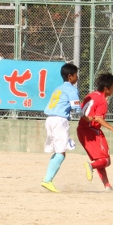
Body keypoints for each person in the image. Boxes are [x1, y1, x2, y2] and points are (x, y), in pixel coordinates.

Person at [77, 73, 113, 191]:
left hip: (81, 130)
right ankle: (90, 166)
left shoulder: (91, 95)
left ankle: (107, 186)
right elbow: (98, 118)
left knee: (100, 160)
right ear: (106, 88)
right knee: (106, 160)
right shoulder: (102, 100)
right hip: (92, 131)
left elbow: (80, 111)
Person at [41, 63, 81, 193]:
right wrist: (87, 117)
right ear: (70, 76)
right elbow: (77, 109)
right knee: (61, 152)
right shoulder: (71, 89)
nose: (77, 78)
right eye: (76, 75)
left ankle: (47, 179)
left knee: (59, 151)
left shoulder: (58, 88)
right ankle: (47, 180)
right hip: (59, 120)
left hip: (50, 119)